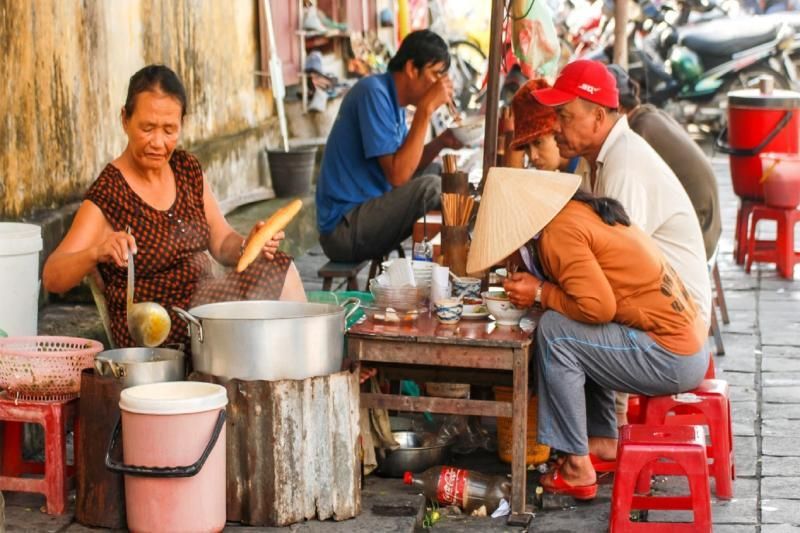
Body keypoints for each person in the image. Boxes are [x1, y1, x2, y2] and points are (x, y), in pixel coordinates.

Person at [467, 168, 709, 500]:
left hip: (672, 356)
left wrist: (540, 292)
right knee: (571, 327)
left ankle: (577, 467)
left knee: (556, 332)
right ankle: (602, 442)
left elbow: (597, 309)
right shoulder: (576, 212)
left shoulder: (557, 234)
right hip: (689, 345)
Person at [43, 65, 306, 348]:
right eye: (147, 128)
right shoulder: (109, 192)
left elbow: (221, 241)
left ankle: (305, 368)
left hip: (205, 309)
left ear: (182, 123)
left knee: (277, 267)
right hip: (154, 333)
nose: (158, 142)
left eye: (169, 130)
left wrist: (248, 245)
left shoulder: (187, 169)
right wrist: (97, 251)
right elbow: (52, 277)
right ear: (125, 119)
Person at [531, 59, 712, 327]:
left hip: (675, 324)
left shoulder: (624, 165)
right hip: (649, 308)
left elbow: (615, 275)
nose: (555, 127)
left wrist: (542, 292)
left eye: (564, 116)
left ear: (598, 118)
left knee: (554, 330)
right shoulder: (590, 159)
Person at [316, 29, 463, 263]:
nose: (438, 85)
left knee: (441, 173)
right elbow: (398, 175)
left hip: (365, 214)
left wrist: (440, 142)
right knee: (432, 187)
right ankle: (461, 247)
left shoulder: (394, 102)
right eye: (435, 75)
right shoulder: (373, 93)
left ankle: (457, 247)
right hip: (343, 229)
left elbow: (406, 164)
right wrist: (425, 110)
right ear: (412, 69)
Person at [607, 64, 722, 260]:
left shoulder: (638, 132)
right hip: (708, 224)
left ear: (618, 108)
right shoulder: (649, 114)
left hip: (700, 235)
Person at [509, 79, 581, 173]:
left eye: (538, 143)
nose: (532, 156)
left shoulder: (586, 171)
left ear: (558, 130)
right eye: (526, 147)